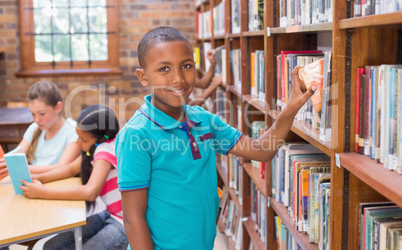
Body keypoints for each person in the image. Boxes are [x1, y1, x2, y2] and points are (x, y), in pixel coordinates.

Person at [116, 26, 316, 250]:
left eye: (186, 66)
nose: (178, 79)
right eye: (164, 69)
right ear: (143, 77)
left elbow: (262, 150)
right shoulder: (136, 135)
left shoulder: (205, 121)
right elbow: (133, 219)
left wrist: (291, 107)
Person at [20, 104, 128, 250]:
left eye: (83, 140)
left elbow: (90, 192)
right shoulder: (96, 147)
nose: (78, 143)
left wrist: (42, 192)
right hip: (110, 213)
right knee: (50, 246)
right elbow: (70, 169)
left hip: (123, 223)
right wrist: (38, 179)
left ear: (100, 139)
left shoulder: (104, 151)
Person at [0, 81, 81, 179]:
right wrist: (7, 163)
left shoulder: (73, 130)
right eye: (33, 114)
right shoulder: (35, 127)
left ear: (58, 107)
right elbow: (16, 156)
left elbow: (62, 167)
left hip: (60, 184)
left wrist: (21, 167)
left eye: (42, 113)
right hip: (35, 183)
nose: (36, 119)